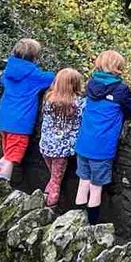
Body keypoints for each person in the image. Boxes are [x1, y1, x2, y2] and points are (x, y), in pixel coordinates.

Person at [73, 49, 131, 224]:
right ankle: (90, 226)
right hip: (102, 146)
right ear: (118, 67)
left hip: (83, 143)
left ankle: (74, 222)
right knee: (96, 188)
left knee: (83, 182)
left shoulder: (92, 84)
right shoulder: (121, 89)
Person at [0, 37, 54, 183]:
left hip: (5, 119)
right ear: (35, 58)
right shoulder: (34, 76)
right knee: (12, 158)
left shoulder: (8, 71)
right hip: (20, 124)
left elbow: (2, 81)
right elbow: (52, 78)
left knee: (7, 154)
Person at [38, 68, 85, 206]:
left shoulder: (48, 99)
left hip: (46, 145)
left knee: (53, 176)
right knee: (56, 181)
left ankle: (44, 201)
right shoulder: (77, 104)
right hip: (62, 150)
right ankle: (50, 206)